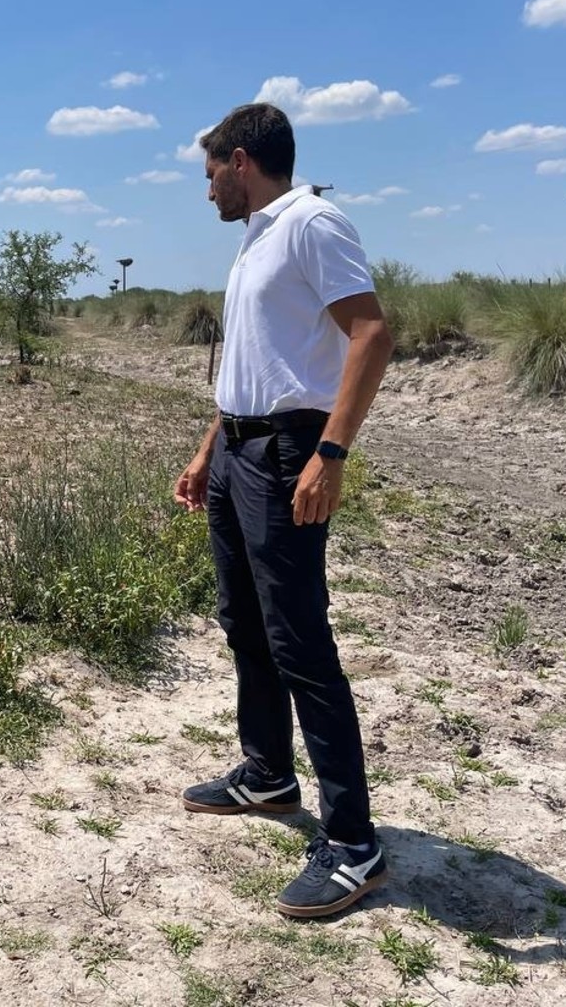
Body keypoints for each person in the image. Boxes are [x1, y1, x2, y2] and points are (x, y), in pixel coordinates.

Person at [172, 102, 394, 919]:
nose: (205, 195)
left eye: (208, 177)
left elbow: (370, 334)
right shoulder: (255, 236)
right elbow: (253, 361)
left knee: (300, 640)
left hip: (289, 453)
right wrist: (208, 449)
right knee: (244, 622)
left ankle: (353, 846)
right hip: (238, 449)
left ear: (239, 160)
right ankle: (266, 773)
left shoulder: (311, 222)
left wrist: (329, 456)